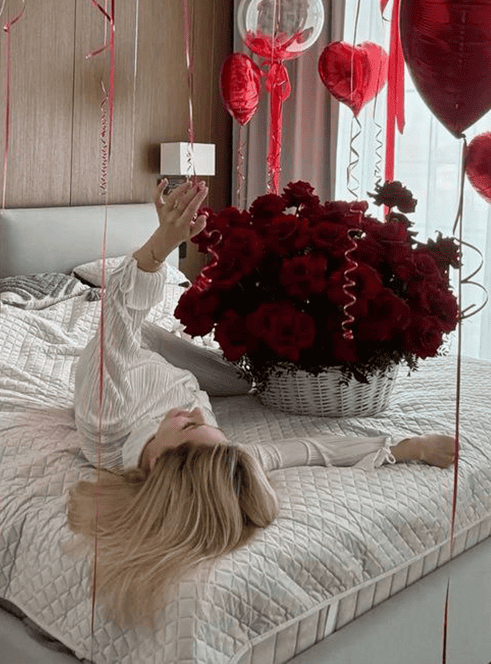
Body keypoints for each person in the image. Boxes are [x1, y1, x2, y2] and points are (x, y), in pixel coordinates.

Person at [67, 177, 456, 627]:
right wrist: (408, 448)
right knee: (247, 382)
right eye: (203, 424)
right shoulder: (224, 459)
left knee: (223, 370)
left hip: (132, 354)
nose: (196, 412)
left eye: (190, 425)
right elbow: (313, 450)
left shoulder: (107, 423)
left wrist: (161, 245)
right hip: (173, 370)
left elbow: (116, 318)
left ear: (155, 462)